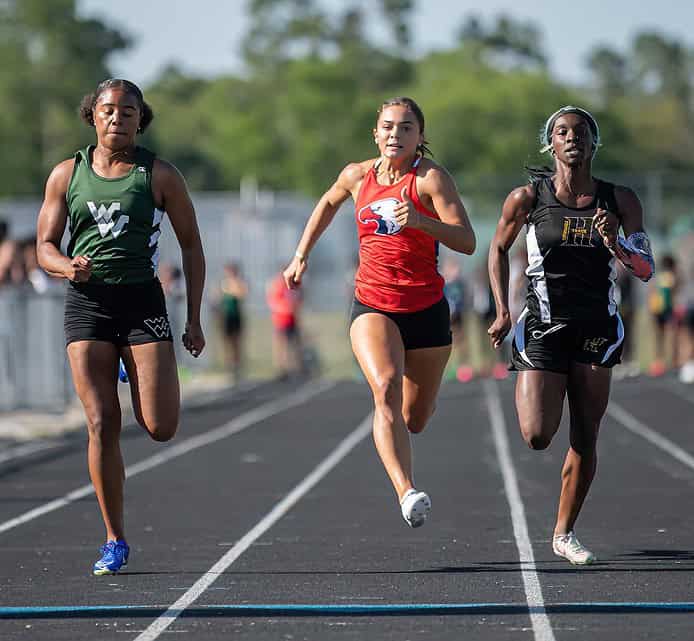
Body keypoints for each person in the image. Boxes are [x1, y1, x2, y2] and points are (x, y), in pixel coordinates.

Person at [36, 79, 206, 575]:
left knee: (160, 427)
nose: (118, 119)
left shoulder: (160, 175)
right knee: (100, 422)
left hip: (140, 301)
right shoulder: (67, 174)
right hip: (88, 304)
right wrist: (67, 265)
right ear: (93, 116)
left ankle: (135, 366)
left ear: (139, 120)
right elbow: (44, 246)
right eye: (109, 110)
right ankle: (114, 537)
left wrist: (193, 318)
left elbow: (192, 246)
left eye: (128, 112)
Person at [283, 97, 475, 527]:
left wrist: (422, 223)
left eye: (406, 128)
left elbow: (466, 240)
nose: (395, 135)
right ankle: (406, 491)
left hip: (426, 307)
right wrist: (301, 255)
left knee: (414, 418)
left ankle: (411, 429)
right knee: (384, 386)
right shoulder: (356, 175)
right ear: (376, 133)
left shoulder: (430, 180)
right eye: (388, 127)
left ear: (420, 137)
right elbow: (328, 203)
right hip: (373, 302)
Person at [487, 106, 654, 565]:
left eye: (581, 132)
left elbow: (644, 269)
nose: (572, 138)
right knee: (538, 435)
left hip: (597, 327)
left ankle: (564, 533)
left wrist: (617, 243)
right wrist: (503, 309)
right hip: (543, 323)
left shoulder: (620, 200)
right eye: (562, 132)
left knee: (586, 432)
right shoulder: (527, 199)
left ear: (593, 144)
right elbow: (497, 249)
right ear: (551, 143)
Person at [266, 268, 303, 380]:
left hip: (292, 320)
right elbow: (273, 302)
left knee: (294, 346)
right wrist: (287, 307)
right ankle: (282, 370)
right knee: (281, 346)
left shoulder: (293, 286)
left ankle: (295, 369)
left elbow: (299, 300)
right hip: (280, 321)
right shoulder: (276, 285)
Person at [647, 254, 678, 376]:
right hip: (659, 310)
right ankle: (660, 362)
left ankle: (669, 362)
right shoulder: (664, 276)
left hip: (665, 310)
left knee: (667, 336)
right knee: (661, 337)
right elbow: (653, 292)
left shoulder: (664, 276)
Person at [217, 261, 248, 381]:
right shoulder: (223, 283)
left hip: (236, 316)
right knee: (227, 342)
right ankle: (229, 366)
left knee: (237, 342)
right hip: (226, 316)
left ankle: (237, 366)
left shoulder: (239, 283)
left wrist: (232, 288)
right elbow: (217, 297)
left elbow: (242, 294)